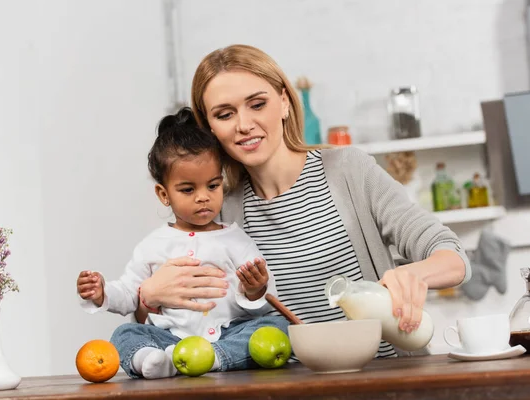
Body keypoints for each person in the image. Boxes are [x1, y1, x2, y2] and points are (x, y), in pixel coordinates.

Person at [135, 45, 471, 358]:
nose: (244, 125)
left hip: (387, 379)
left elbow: (452, 257)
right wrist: (149, 296)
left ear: (284, 102)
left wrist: (415, 275)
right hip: (288, 385)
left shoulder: (349, 172)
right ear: (209, 128)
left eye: (257, 104)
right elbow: (180, 319)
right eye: (224, 114)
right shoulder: (218, 211)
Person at [76, 107, 289, 379]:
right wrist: (102, 293)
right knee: (124, 334)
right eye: (188, 190)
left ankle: (215, 358)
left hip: (227, 334)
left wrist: (256, 289)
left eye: (212, 186)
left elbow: (266, 300)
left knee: (276, 325)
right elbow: (130, 293)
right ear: (163, 194)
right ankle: (151, 360)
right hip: (169, 340)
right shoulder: (152, 245)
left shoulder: (235, 239)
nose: (203, 197)